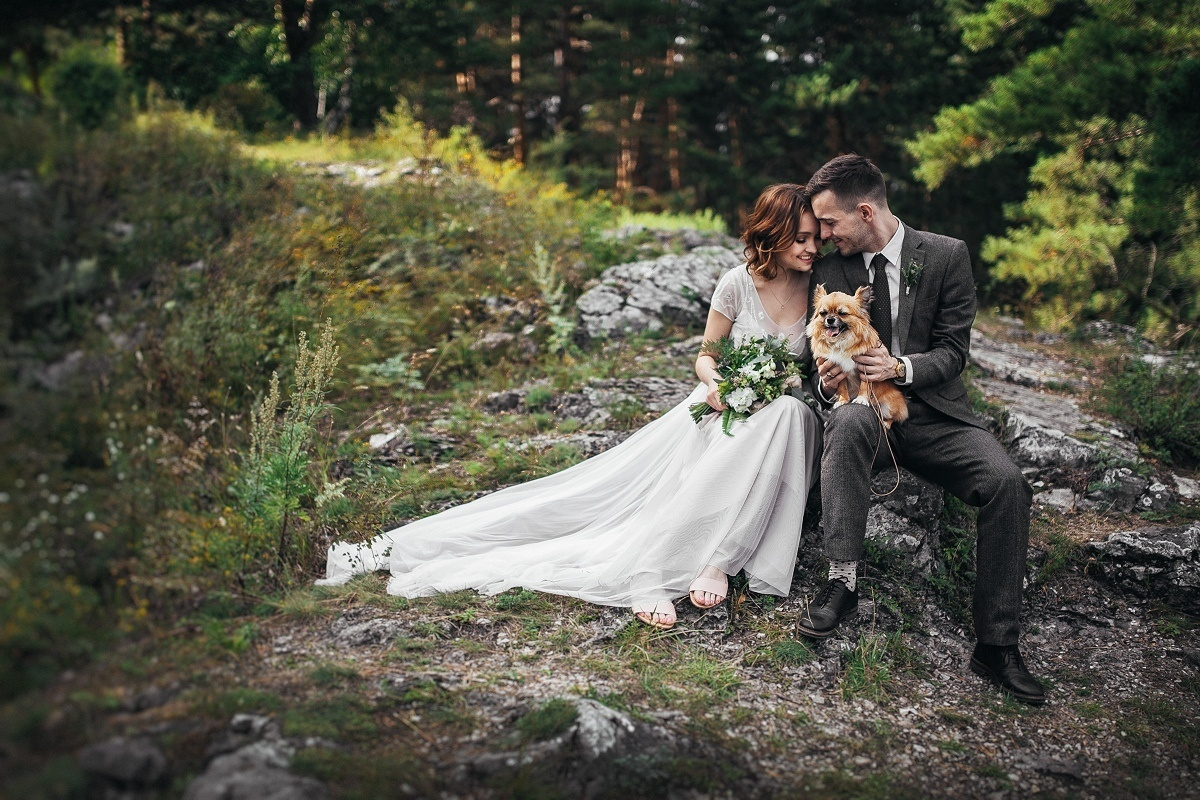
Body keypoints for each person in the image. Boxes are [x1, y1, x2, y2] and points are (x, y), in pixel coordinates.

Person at [318, 184, 823, 630]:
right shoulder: (736, 283)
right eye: (800, 237)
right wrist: (716, 386)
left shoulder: (820, 285)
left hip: (774, 409)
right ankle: (655, 567)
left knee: (792, 415)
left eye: (814, 237)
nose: (810, 246)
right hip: (720, 406)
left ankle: (720, 558)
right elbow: (707, 356)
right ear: (772, 234)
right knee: (771, 424)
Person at [796, 154, 1045, 705]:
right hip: (861, 406)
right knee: (850, 420)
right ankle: (842, 580)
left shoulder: (947, 255)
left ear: (865, 212)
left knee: (1007, 484)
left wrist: (900, 369)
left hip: (936, 414)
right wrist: (826, 379)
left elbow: (955, 352)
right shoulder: (829, 270)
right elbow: (809, 350)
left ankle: (997, 645)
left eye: (831, 224)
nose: (822, 237)